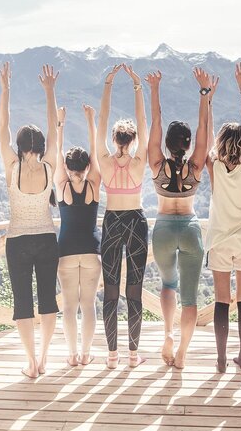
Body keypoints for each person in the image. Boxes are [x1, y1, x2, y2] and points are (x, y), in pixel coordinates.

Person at [146, 67, 216, 369]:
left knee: (167, 284)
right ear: (187, 146)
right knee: (189, 297)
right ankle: (183, 353)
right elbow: (204, 129)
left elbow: (155, 124)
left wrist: (154, 89)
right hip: (188, 226)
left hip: (162, 227)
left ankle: (167, 332)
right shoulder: (195, 168)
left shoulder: (156, 164)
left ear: (167, 144)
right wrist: (205, 94)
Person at [0, 62, 61, 378]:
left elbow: (2, 129)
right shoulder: (50, 165)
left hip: (18, 241)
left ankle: (31, 362)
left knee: (23, 302)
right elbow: (54, 126)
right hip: (47, 239)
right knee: (48, 300)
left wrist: (6, 88)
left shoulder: (12, 167)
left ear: (20, 146)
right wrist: (49, 91)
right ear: (41, 146)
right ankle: (46, 357)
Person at [204, 62, 241, 373]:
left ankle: (222, 357)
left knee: (223, 302)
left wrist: (209, 98)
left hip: (220, 241)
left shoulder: (214, 169)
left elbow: (209, 134)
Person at [96, 63, 150, 369]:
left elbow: (101, 121)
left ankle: (112, 355)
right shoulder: (139, 161)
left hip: (112, 220)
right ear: (131, 141)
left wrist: (108, 84)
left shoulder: (104, 159)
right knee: (135, 290)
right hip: (136, 222)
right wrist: (137, 86)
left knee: (111, 289)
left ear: (115, 140)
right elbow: (144, 122)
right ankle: (132, 355)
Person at [54, 103, 102, 367]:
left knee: (69, 307)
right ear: (87, 166)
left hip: (66, 251)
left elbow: (58, 154)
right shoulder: (94, 183)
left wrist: (61, 124)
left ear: (68, 166)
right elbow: (96, 154)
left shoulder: (61, 184)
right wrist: (91, 121)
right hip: (92, 251)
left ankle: (72, 355)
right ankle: (85, 354)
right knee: (89, 305)